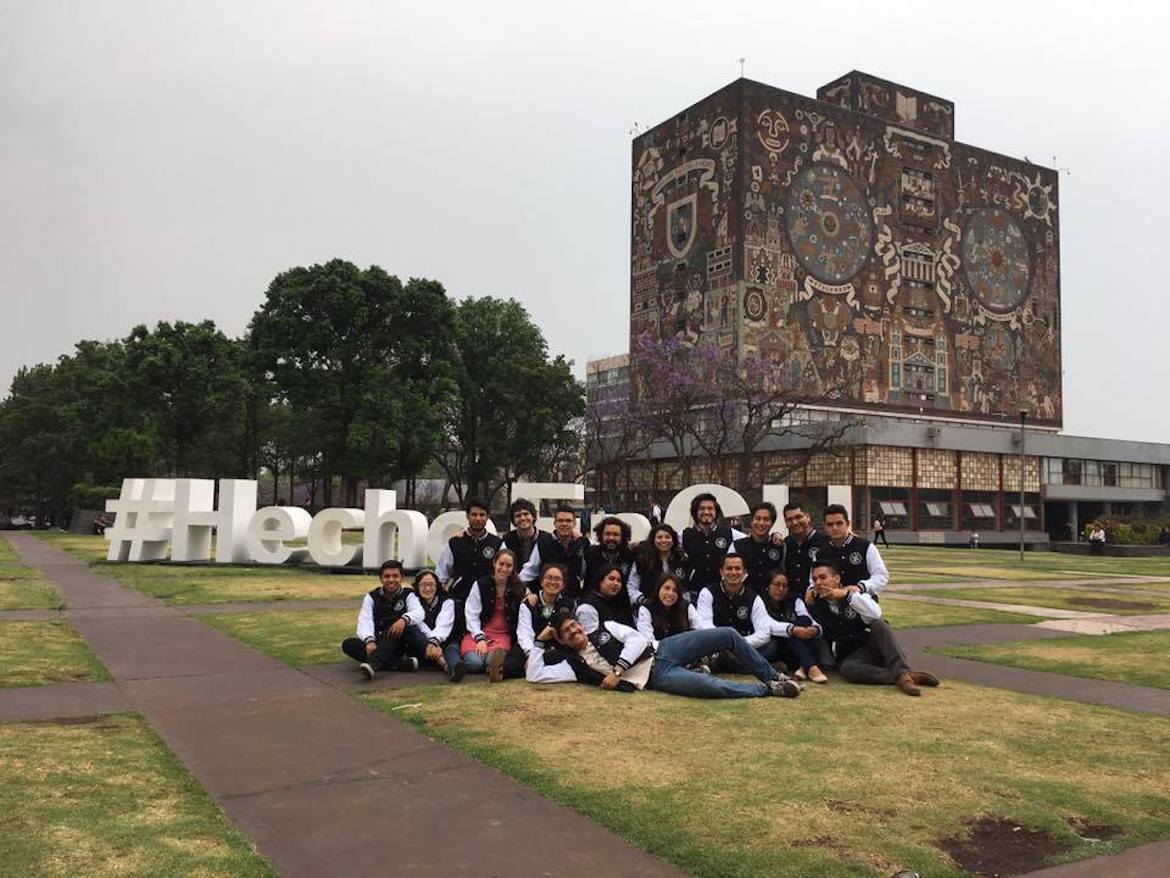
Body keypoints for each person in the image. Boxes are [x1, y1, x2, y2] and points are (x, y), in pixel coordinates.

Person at [528, 611, 801, 699]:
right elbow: (535, 675)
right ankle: (767, 690)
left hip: (663, 649)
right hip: (657, 676)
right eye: (567, 631)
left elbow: (636, 640)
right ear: (561, 640)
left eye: (574, 625)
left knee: (727, 634)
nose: (574, 631)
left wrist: (617, 671)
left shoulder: (606, 627)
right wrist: (540, 642)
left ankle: (772, 676)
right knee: (710, 687)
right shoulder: (575, 665)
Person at [805, 560, 938, 696]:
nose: (818, 583)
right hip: (852, 656)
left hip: (872, 645)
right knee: (848, 670)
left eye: (823, 577)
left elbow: (875, 614)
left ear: (837, 578)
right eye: (815, 579)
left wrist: (847, 595)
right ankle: (904, 677)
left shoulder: (855, 593)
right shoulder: (814, 603)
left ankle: (902, 671)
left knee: (880, 624)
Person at [451, 549, 527, 683]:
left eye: (508, 566)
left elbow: (528, 596)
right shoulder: (480, 585)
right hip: (479, 633)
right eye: (501, 564)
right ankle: (470, 667)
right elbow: (471, 614)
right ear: (494, 563)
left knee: (490, 660)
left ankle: (492, 668)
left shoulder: (518, 587)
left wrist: (531, 596)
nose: (504, 569)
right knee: (475, 662)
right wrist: (480, 639)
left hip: (502, 636)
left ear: (513, 568)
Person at [341, 560, 425, 679]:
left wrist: (404, 620)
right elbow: (365, 619)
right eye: (387, 576)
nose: (391, 580)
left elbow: (419, 612)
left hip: (398, 643)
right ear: (381, 579)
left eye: (395, 576)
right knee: (348, 644)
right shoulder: (372, 596)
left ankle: (373, 664)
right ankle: (401, 665)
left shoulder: (408, 594)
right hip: (377, 642)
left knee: (395, 629)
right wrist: (369, 641)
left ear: (402, 578)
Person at [695, 554, 776, 672]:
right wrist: (724, 644)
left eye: (737, 568)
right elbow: (705, 626)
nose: (733, 572)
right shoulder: (708, 592)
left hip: (744, 647)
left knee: (772, 646)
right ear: (721, 572)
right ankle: (758, 667)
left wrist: (738, 644)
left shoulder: (754, 598)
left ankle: (733, 666)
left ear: (744, 572)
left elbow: (764, 633)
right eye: (729, 568)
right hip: (718, 648)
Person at [759, 570, 827, 683]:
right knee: (790, 633)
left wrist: (815, 630)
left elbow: (809, 620)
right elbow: (768, 625)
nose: (780, 589)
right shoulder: (759, 602)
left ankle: (804, 667)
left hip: (796, 648)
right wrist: (792, 629)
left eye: (784, 586)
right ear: (767, 586)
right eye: (776, 584)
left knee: (805, 621)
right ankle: (810, 667)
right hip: (776, 645)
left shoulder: (794, 600)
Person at [681, 493, 745, 603]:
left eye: (710, 508)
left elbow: (752, 539)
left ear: (716, 512)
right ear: (695, 512)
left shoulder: (729, 533)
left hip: (721, 595)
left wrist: (775, 535)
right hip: (695, 594)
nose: (706, 512)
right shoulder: (684, 535)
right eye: (702, 509)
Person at [435, 498, 502, 599]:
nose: (478, 518)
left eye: (482, 515)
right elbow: (441, 574)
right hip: (459, 597)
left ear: (488, 517)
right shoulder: (454, 543)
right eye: (474, 514)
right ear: (467, 516)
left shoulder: (497, 544)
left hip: (488, 598)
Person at [519, 504, 589, 599]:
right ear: (555, 523)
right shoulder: (543, 543)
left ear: (574, 524)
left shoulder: (583, 543)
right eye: (560, 521)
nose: (564, 524)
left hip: (574, 598)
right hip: (547, 597)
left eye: (568, 521)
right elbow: (529, 570)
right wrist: (525, 591)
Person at [820, 504, 889, 596]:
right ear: (824, 526)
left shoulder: (865, 547)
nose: (835, 528)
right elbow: (814, 578)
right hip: (831, 603)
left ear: (848, 524)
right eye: (830, 524)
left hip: (861, 601)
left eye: (839, 523)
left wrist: (861, 587)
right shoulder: (821, 550)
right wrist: (812, 588)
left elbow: (881, 576)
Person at [517, 564, 575, 659]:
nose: (553, 582)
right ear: (541, 582)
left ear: (563, 585)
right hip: (531, 648)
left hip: (558, 650)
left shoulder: (570, 605)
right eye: (549, 578)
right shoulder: (529, 603)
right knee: (513, 662)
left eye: (557, 579)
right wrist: (532, 655)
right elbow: (524, 633)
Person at [630, 523, 690, 607]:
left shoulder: (682, 559)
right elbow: (631, 587)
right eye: (659, 537)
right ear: (653, 540)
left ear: (673, 540)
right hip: (647, 606)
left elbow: (685, 588)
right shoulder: (642, 560)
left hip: (675, 608)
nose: (664, 540)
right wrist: (644, 601)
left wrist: (683, 603)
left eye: (667, 537)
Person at [733, 502, 785, 594]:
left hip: (771, 599)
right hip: (744, 598)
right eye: (758, 519)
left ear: (772, 523)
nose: (761, 523)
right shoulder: (738, 546)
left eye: (766, 519)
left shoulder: (779, 546)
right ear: (751, 521)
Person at [783, 501, 832, 594]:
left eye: (798, 517)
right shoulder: (785, 544)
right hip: (791, 599)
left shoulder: (825, 542)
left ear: (808, 517)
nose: (794, 522)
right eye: (789, 519)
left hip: (816, 598)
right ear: (786, 523)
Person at [636, 572, 700, 641]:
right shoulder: (646, 609)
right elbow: (647, 639)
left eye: (675, 590)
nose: (670, 593)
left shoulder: (687, 607)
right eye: (666, 588)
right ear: (658, 589)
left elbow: (699, 629)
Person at [413, 569, 455, 673]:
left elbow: (443, 626)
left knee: (452, 650)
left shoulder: (447, 602)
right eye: (423, 585)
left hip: (441, 643)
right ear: (417, 586)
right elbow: (420, 626)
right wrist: (432, 644)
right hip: (422, 646)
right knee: (412, 629)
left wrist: (434, 642)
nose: (428, 588)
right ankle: (442, 662)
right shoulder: (413, 602)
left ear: (437, 586)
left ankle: (454, 667)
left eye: (431, 584)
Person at [583, 516, 635, 593]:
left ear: (623, 537)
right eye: (607, 534)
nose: (611, 538)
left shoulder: (630, 556)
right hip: (591, 598)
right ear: (601, 535)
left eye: (616, 534)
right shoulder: (589, 553)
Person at [577, 565, 636, 633]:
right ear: (600, 582)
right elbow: (590, 635)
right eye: (611, 579)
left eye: (619, 581)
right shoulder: (588, 607)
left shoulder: (620, 604)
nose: (616, 583)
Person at [502, 498, 540, 569]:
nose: (522, 518)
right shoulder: (507, 539)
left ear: (533, 517)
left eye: (526, 514)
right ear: (513, 520)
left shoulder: (546, 539)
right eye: (518, 516)